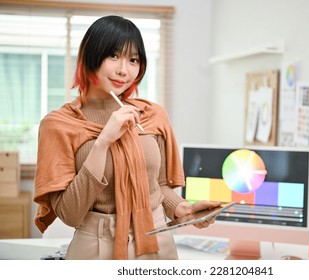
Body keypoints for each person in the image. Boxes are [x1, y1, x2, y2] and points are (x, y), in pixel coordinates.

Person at [33, 15, 221, 260]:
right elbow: (70, 214)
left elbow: (158, 185)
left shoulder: (152, 115)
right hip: (95, 248)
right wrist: (103, 142)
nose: (124, 70)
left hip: (157, 242)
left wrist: (182, 208)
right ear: (90, 56)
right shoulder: (59, 125)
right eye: (113, 56)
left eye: (133, 59)